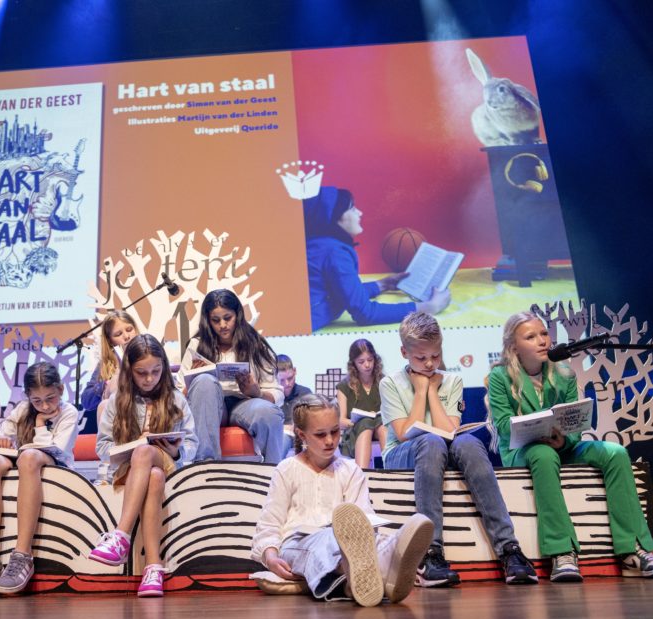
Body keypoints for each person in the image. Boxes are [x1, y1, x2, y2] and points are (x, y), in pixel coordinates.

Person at [486, 312, 653, 582]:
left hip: (562, 446)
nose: (542, 341)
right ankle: (562, 552)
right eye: (531, 337)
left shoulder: (563, 373)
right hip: (525, 451)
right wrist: (538, 427)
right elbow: (504, 424)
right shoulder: (500, 377)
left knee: (615, 452)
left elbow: (575, 424)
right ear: (513, 346)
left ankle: (634, 550)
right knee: (543, 453)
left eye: (543, 333)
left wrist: (564, 440)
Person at [379, 312, 537, 586]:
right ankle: (430, 554)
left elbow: (449, 430)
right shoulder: (390, 383)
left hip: (442, 447)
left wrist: (430, 391)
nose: (430, 363)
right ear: (404, 352)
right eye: (421, 358)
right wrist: (420, 391)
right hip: (402, 455)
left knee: (469, 443)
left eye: (436, 356)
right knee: (430, 442)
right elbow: (405, 433)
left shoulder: (451, 382)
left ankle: (509, 549)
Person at [251, 393, 434, 606]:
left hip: (348, 541)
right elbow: (269, 525)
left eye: (335, 432)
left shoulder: (351, 470)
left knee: (372, 539)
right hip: (298, 543)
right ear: (301, 434)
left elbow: (365, 522)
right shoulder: (286, 469)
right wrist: (271, 557)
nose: (330, 440)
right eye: (320, 434)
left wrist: (370, 535)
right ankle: (380, 567)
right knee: (326, 541)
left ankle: (361, 578)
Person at [89, 334, 197, 598]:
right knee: (153, 474)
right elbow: (102, 449)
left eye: (156, 371)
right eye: (141, 373)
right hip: (131, 471)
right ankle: (153, 568)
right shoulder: (117, 401)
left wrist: (177, 450)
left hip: (170, 463)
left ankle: (120, 536)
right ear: (129, 371)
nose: (149, 379)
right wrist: (130, 447)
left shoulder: (175, 399)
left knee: (147, 453)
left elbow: (193, 443)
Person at [0, 362, 80, 597]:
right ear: (28, 397)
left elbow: (56, 449)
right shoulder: (22, 409)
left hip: (56, 467)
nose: (44, 405)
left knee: (29, 457)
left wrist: (40, 425)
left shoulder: (69, 412)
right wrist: (3, 442)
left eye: (50, 398)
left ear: (61, 390)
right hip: (23, 460)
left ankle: (22, 555)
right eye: (37, 401)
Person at [303, 186, 449, 331]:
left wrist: (381, 285)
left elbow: (343, 293)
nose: (360, 213)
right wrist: (428, 308)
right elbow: (366, 313)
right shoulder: (334, 252)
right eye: (352, 208)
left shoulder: (318, 245)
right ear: (334, 216)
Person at [176, 289, 286, 463]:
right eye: (216, 320)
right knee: (204, 381)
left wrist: (256, 392)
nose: (222, 325)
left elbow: (278, 394)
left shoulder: (255, 344)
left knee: (267, 412)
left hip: (245, 404)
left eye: (228, 318)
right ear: (207, 321)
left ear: (238, 315)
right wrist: (194, 379)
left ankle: (273, 473)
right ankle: (205, 466)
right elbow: (178, 394)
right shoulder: (197, 345)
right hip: (209, 406)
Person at [336, 339, 387, 469]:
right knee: (366, 423)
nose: (367, 365)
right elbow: (341, 421)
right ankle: (362, 474)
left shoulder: (383, 382)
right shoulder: (344, 386)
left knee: (382, 425)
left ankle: (392, 471)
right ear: (353, 363)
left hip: (380, 427)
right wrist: (357, 420)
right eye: (361, 362)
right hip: (355, 431)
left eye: (370, 360)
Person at [79, 309, 140, 415]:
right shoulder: (107, 364)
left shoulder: (149, 353)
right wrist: (106, 385)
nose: (126, 336)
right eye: (118, 334)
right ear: (110, 341)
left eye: (129, 329)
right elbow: (86, 401)